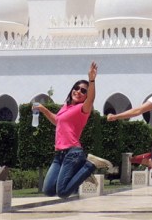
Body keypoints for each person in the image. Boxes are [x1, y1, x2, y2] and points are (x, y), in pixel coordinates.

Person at [35, 62, 104, 197]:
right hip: (59, 154)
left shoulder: (83, 108)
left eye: (83, 91)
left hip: (73, 152)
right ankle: (82, 173)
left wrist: (91, 80)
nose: (78, 92)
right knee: (48, 190)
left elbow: (91, 98)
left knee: (63, 192)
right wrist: (43, 110)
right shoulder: (65, 107)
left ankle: (88, 166)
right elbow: (57, 121)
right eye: (76, 88)